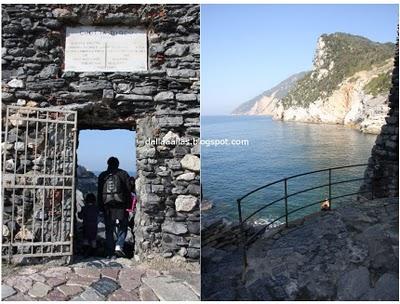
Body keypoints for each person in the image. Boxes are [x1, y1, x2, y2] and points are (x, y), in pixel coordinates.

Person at [98, 157, 131, 258]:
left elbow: (99, 192)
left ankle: (110, 252)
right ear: (118, 164)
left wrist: (100, 206)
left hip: (107, 207)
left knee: (109, 229)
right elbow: (128, 190)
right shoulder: (123, 174)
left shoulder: (103, 175)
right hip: (121, 206)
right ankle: (119, 246)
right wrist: (128, 205)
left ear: (108, 163)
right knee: (123, 226)